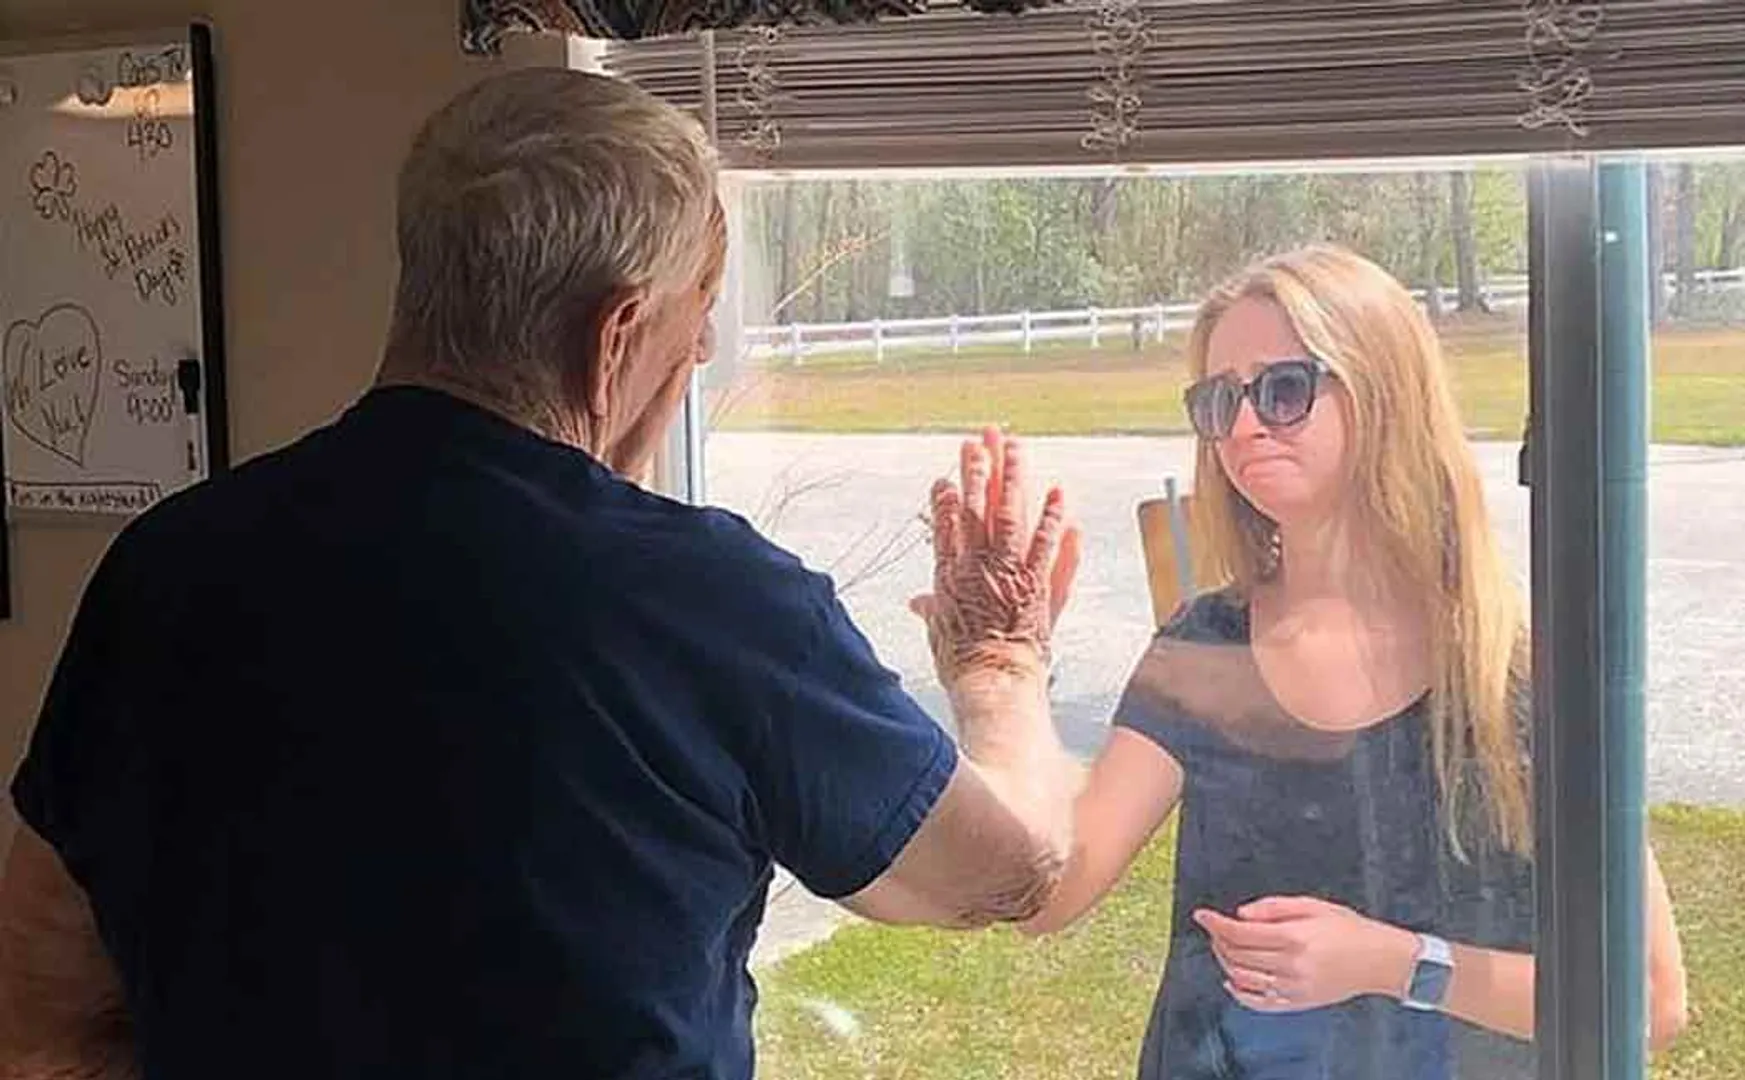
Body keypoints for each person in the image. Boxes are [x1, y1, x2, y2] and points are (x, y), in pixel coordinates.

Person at [0, 69, 1084, 1079]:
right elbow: (1002, 871)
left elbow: (41, 1017)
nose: (697, 358)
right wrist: (999, 660)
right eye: (697, 322)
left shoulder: (165, 565)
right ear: (618, 333)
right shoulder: (712, 606)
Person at [1018, 245, 1689, 1079]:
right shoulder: (1202, 646)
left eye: (1283, 389)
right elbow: (1047, 894)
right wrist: (1006, 669)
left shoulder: (1514, 670)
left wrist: (1395, 963)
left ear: (1384, 395)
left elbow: (1647, 998)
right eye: (1219, 399)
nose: (1243, 427)